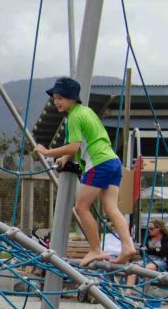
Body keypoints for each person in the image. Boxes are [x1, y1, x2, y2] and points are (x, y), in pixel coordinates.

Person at [33, 76, 137, 266]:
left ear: (72, 98)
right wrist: (63, 158)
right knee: (111, 208)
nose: (56, 102)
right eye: (55, 98)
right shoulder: (87, 112)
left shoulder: (73, 117)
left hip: (98, 163)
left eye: (60, 98)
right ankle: (127, 246)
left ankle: (96, 249)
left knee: (81, 208)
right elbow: (84, 143)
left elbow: (73, 147)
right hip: (113, 161)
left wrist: (47, 151)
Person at [127, 219, 168, 285]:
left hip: (160, 261)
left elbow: (163, 252)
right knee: (133, 268)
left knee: (148, 269)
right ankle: (128, 292)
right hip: (147, 259)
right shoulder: (147, 238)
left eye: (151, 229)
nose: (149, 230)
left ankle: (144, 293)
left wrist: (149, 250)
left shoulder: (166, 239)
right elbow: (142, 252)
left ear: (158, 228)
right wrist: (156, 250)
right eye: (148, 229)